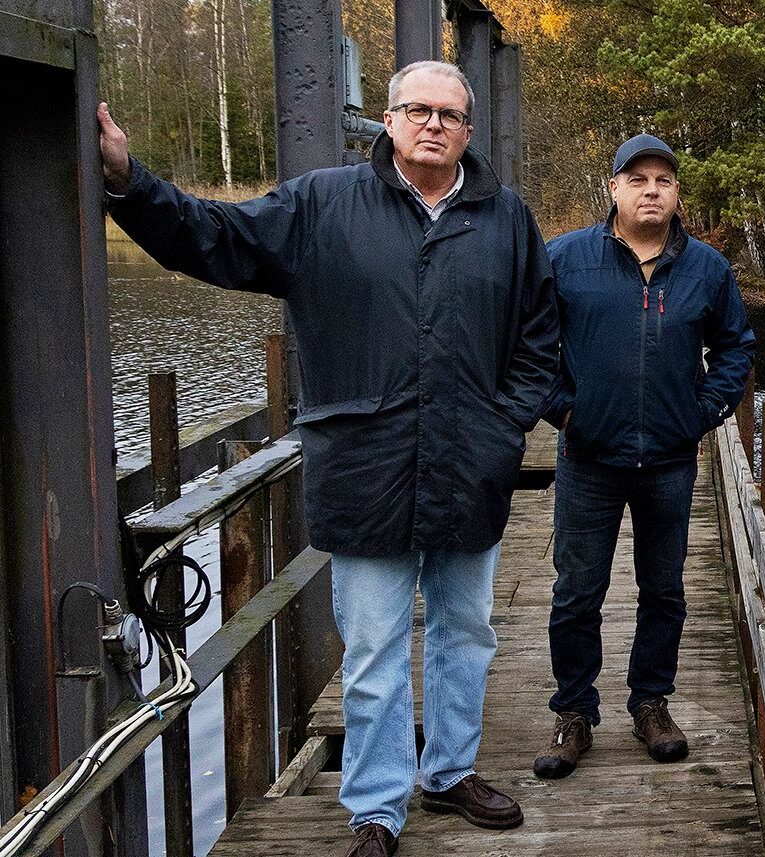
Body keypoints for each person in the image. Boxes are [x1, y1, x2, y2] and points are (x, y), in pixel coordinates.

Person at [99, 60, 560, 857]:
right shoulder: (321, 204)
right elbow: (217, 238)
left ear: (470, 132)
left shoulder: (506, 218)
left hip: (468, 466)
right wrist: (131, 183)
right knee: (375, 646)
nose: (432, 125)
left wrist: (504, 422)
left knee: (466, 630)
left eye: (449, 115)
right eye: (417, 110)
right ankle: (377, 807)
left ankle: (448, 772)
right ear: (387, 119)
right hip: (366, 466)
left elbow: (539, 337)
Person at [532, 134, 754, 779]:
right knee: (577, 592)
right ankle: (574, 712)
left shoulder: (707, 269)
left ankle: (651, 703)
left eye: (662, 179)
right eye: (637, 179)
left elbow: (736, 344)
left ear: (676, 192)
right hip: (589, 457)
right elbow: (529, 341)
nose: (651, 189)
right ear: (614, 189)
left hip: (668, 460)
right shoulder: (567, 259)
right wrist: (563, 409)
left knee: (664, 590)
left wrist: (704, 409)